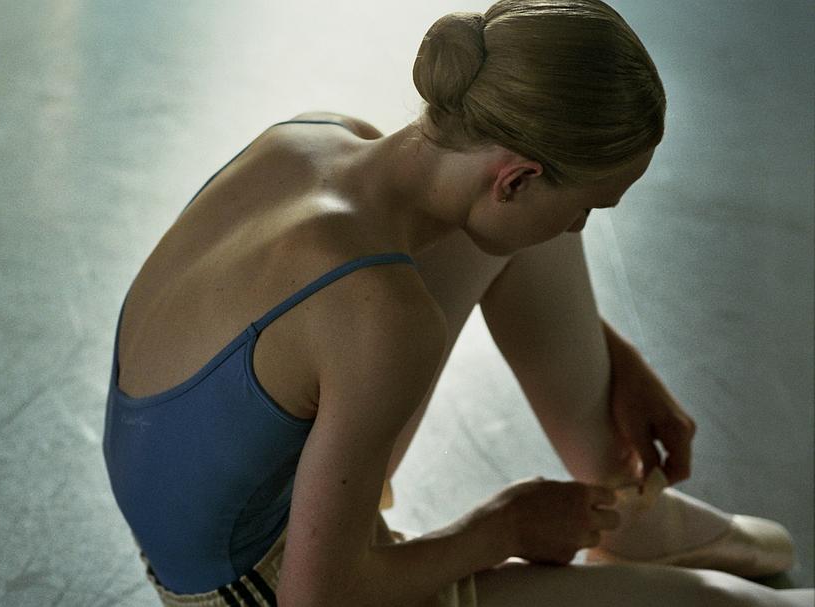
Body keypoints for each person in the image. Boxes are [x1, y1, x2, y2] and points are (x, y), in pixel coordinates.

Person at [102, 1, 814, 605]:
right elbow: (316, 600)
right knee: (727, 605)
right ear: (516, 178)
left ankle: (626, 502)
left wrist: (615, 360)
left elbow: (324, 321)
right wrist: (503, 528)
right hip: (254, 584)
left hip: (234, 502)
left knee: (515, 238)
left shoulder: (313, 136)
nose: (580, 226)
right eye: (589, 206)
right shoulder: (382, 315)